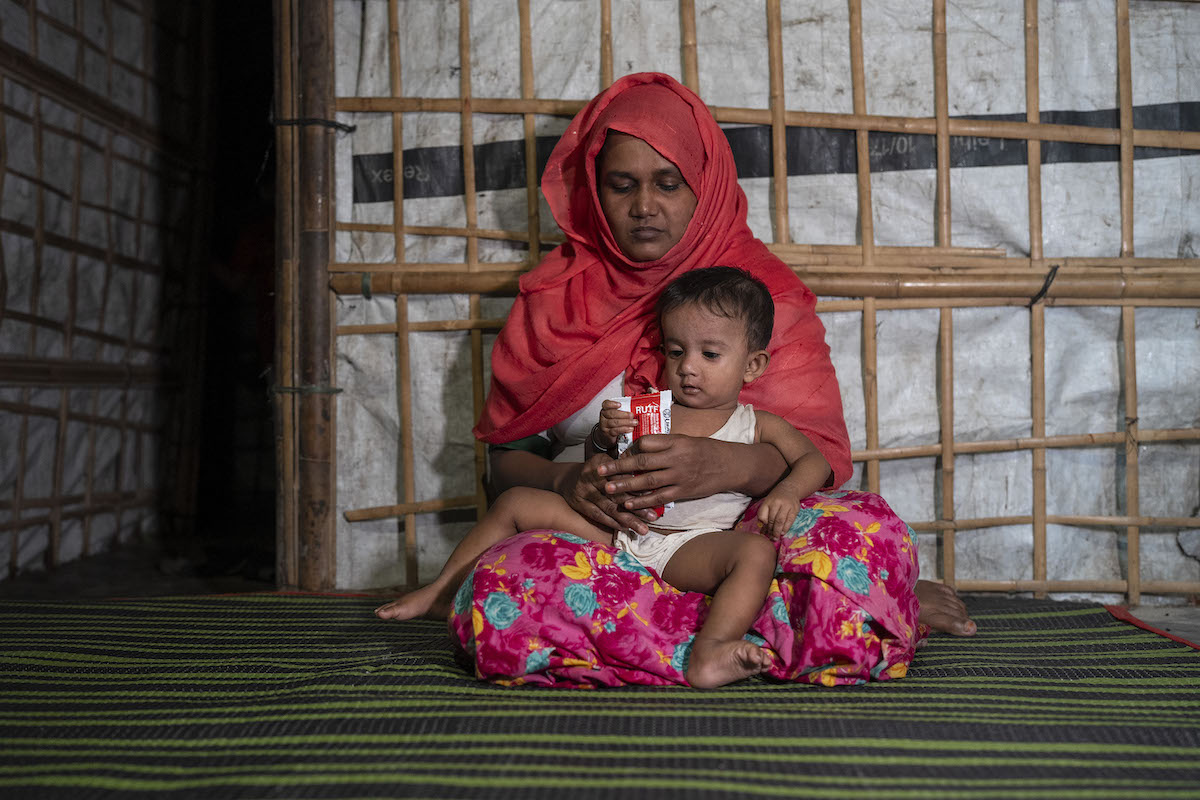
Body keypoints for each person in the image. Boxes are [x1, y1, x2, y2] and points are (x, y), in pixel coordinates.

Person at [383, 72, 972, 686]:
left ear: (706, 184)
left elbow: (814, 458)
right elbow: (505, 465)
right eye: (622, 185)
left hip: (725, 541)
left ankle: (680, 629)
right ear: (594, 191)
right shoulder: (551, 302)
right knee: (512, 576)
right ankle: (815, 617)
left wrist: (729, 467)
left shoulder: (759, 299)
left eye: (669, 183)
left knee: (854, 530)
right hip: (600, 545)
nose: (645, 207)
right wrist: (569, 478)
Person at [381, 267, 830, 686]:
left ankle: (709, 654)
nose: (688, 367)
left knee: (753, 552)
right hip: (618, 533)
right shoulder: (652, 408)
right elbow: (603, 467)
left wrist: (789, 491)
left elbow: (816, 463)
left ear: (752, 366)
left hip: (690, 546)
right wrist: (602, 436)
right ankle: (442, 590)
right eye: (675, 352)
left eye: (710, 354)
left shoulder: (759, 424)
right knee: (517, 501)